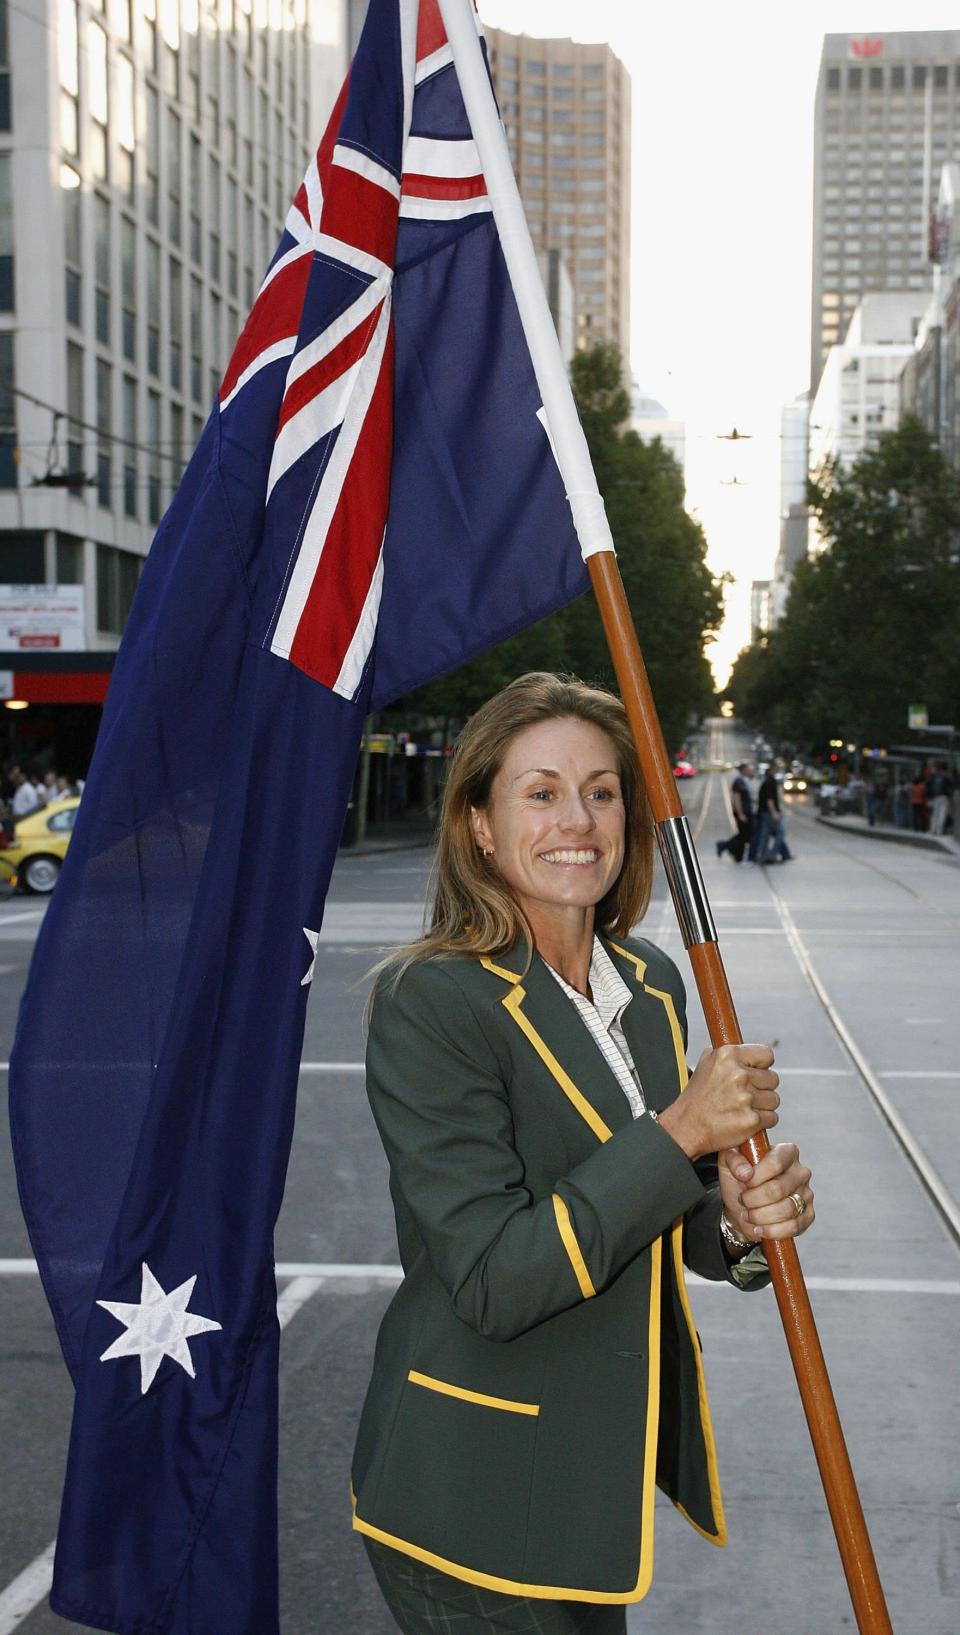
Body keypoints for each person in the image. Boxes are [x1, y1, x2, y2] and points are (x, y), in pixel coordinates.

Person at [352, 673, 815, 1632]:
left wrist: (731, 1217)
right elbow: (493, 1275)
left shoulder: (647, 984)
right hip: (469, 1497)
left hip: (588, 1488)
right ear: (479, 823)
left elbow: (652, 1211)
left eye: (602, 790)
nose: (580, 818)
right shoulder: (432, 1001)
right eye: (542, 791)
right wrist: (684, 1129)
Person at [716, 761, 753, 862]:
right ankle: (727, 847)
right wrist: (740, 814)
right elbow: (736, 799)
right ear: (744, 770)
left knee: (745, 834)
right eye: (749, 769)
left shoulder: (745, 781)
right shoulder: (739, 782)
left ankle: (731, 850)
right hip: (743, 813)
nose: (751, 770)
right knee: (744, 835)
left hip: (747, 812)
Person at [755, 766, 793, 863]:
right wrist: (774, 812)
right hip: (769, 813)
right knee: (780, 833)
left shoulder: (767, 781)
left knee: (765, 834)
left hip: (764, 812)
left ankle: (763, 855)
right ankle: (773, 854)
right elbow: (769, 799)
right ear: (772, 771)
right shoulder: (771, 782)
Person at [927, 762, 952, 837]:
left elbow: (929, 786)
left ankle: (933, 830)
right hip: (944, 797)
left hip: (935, 797)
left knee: (935, 814)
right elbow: (951, 786)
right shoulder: (946, 776)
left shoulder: (934, 776)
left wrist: (929, 797)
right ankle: (939, 831)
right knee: (942, 814)